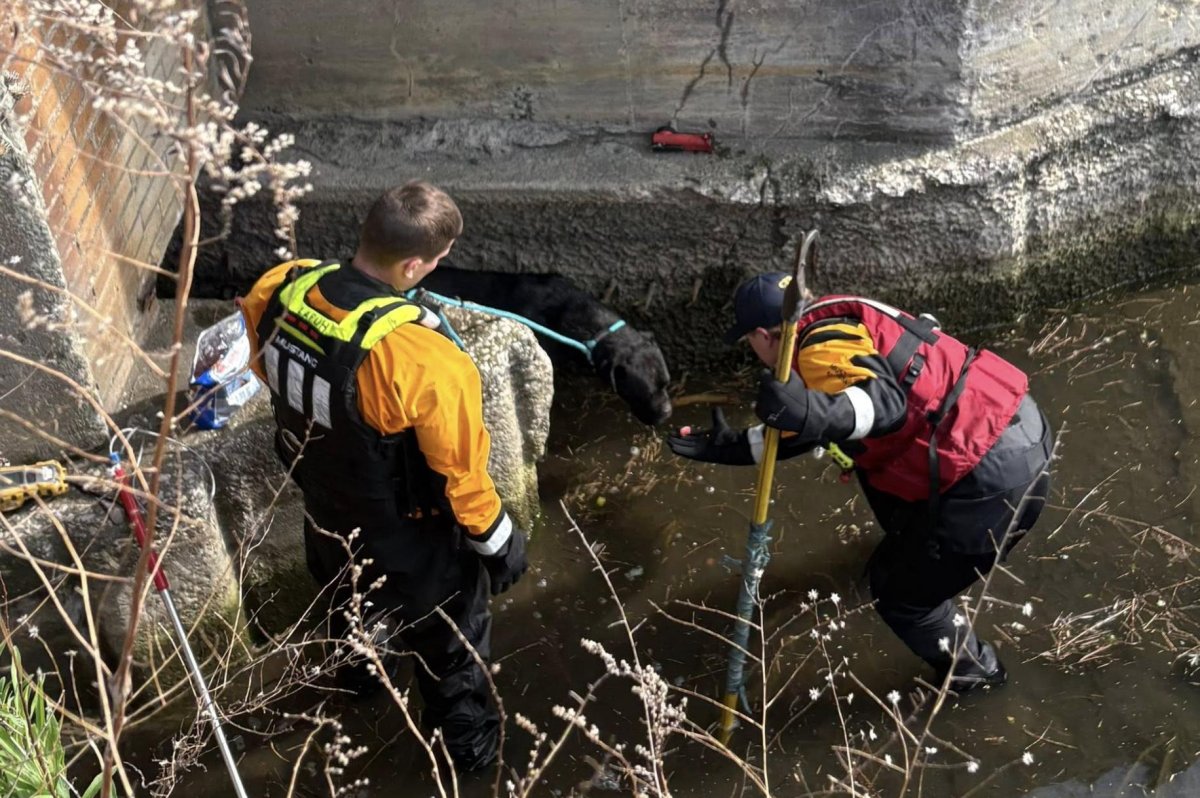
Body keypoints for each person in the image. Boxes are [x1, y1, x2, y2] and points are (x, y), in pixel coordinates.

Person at [239, 180, 527, 770]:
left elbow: (266, 368)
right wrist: (499, 544)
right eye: (438, 262)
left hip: (325, 514)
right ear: (415, 265)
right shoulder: (424, 359)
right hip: (413, 542)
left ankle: (360, 690)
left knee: (347, 618)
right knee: (453, 656)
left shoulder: (283, 285)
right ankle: (468, 764)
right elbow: (461, 475)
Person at [668, 273, 1053, 691]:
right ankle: (923, 559)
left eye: (750, 343)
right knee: (883, 492)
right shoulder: (840, 319)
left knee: (899, 596)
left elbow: (882, 406)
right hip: (1020, 427)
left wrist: (813, 413)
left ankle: (978, 676)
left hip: (990, 476)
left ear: (762, 335)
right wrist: (735, 446)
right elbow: (824, 416)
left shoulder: (816, 348)